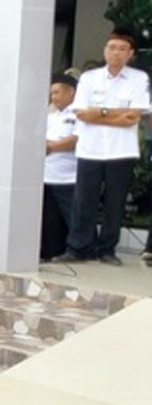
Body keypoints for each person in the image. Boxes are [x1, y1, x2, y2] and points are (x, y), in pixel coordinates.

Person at [54, 27, 150, 266]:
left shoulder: (139, 79)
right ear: (104, 50)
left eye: (121, 49)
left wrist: (101, 112)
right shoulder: (89, 78)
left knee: (114, 201)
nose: (116, 53)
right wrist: (116, 116)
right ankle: (78, 247)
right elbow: (82, 113)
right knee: (83, 200)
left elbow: (135, 113)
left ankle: (107, 248)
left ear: (131, 54)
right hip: (91, 148)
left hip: (122, 150)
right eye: (111, 48)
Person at [41, 74, 79, 261]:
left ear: (70, 92)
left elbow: (75, 140)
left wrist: (50, 147)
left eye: (57, 92)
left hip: (68, 176)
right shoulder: (51, 117)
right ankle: (51, 251)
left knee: (72, 217)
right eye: (51, 93)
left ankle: (78, 251)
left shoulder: (78, 114)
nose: (53, 97)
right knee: (50, 219)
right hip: (47, 175)